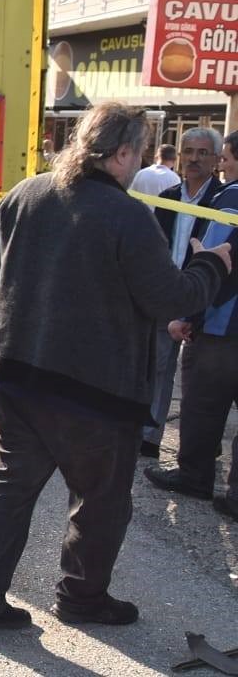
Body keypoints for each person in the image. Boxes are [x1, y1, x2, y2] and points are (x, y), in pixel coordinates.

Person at [0, 103, 231, 631]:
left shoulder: (26, 192)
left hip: (15, 371)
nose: (140, 163)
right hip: (95, 390)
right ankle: (81, 600)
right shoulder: (126, 214)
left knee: (8, 485)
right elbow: (167, 297)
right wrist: (209, 264)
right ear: (123, 153)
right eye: (140, 154)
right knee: (101, 501)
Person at [145, 129, 238, 522]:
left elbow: (217, 261)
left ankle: (195, 475)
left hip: (222, 326)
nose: (223, 164)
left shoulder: (230, 198)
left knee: (202, 404)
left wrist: (189, 314)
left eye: (227, 157)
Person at [143, 127, 223, 457]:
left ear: (217, 159)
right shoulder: (168, 198)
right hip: (167, 296)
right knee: (157, 369)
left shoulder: (224, 199)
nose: (193, 158)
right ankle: (149, 437)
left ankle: (202, 449)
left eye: (202, 153)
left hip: (207, 303)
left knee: (201, 384)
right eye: (188, 151)